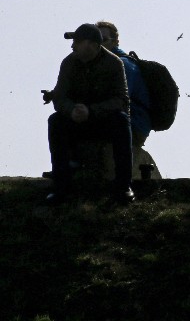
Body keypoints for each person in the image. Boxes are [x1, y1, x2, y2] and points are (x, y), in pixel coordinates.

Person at [46, 23, 134, 204]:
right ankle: (61, 188)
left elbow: (121, 100)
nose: (73, 46)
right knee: (55, 121)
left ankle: (123, 187)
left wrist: (92, 111)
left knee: (121, 121)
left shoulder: (114, 64)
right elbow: (59, 97)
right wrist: (71, 110)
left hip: (102, 121)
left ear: (93, 45)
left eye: (77, 42)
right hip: (76, 121)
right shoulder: (69, 63)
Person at [96, 20, 161, 179]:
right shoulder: (100, 65)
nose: (99, 45)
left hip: (134, 124)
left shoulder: (124, 65)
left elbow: (119, 100)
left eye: (103, 40)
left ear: (115, 41)